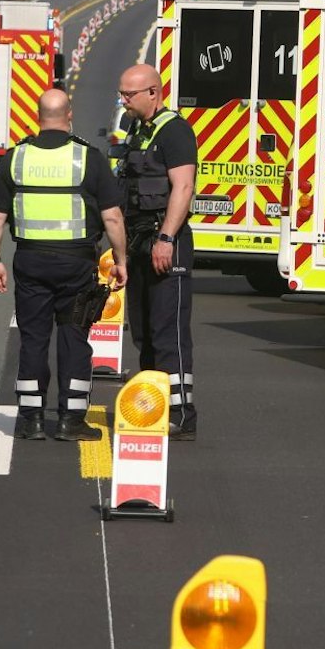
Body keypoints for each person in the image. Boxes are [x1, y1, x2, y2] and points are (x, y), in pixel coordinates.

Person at [0, 89, 129, 442]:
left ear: (38, 116)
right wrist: (120, 260)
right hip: (77, 264)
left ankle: (30, 419)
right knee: (75, 337)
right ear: (69, 115)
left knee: (33, 338)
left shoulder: (16, 158)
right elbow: (111, 217)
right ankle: (71, 419)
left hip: (30, 262)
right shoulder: (89, 159)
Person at [114, 63, 200, 439]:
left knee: (168, 331)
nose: (123, 100)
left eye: (129, 94)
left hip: (165, 242)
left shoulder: (175, 131)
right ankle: (153, 403)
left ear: (153, 92)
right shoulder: (137, 128)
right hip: (138, 241)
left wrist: (166, 238)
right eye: (122, 93)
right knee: (145, 332)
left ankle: (181, 413)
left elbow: (183, 187)